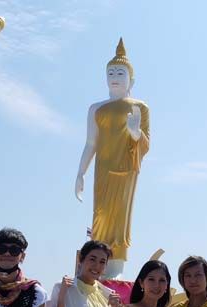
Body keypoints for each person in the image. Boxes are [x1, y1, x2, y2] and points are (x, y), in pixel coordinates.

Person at [74, 38, 150, 278]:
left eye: (120, 72)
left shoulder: (140, 107)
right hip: (103, 170)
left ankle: (116, 268)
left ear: (131, 79)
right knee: (100, 216)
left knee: (120, 218)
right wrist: (80, 172)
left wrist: (135, 132)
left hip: (126, 170)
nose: (114, 76)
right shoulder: (96, 108)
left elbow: (145, 142)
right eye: (110, 72)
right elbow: (91, 143)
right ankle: (96, 264)